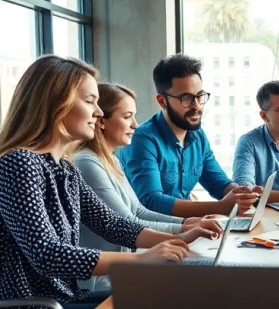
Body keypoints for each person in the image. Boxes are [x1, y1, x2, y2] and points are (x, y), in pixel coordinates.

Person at [0, 55, 217, 309]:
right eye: (90, 101)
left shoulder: (64, 168)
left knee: (169, 299)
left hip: (59, 304)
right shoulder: (18, 164)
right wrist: (141, 260)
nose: (99, 112)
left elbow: (114, 225)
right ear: (56, 103)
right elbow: (49, 254)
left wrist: (179, 239)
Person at [74, 82, 225, 292]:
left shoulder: (110, 160)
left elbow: (139, 211)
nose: (135, 124)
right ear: (101, 121)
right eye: (127, 117)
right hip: (104, 281)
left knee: (210, 270)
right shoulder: (87, 164)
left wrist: (187, 224)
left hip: (126, 267)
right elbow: (126, 222)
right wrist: (180, 233)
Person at [118, 54, 258, 218]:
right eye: (186, 98)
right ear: (162, 101)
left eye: (200, 96)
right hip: (153, 235)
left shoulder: (197, 135)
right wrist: (220, 207)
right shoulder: (142, 140)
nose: (197, 106)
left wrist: (244, 195)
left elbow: (218, 183)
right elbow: (151, 201)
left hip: (188, 229)